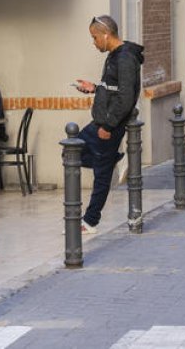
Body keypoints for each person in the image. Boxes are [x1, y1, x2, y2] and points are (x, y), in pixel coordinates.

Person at [72, 15, 143, 234]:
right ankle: (112, 159)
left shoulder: (125, 58)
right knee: (72, 152)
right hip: (101, 122)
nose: (93, 43)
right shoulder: (114, 56)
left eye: (94, 38)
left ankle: (89, 222)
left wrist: (109, 126)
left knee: (99, 175)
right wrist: (94, 88)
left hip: (108, 125)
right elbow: (114, 88)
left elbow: (126, 98)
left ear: (106, 35)